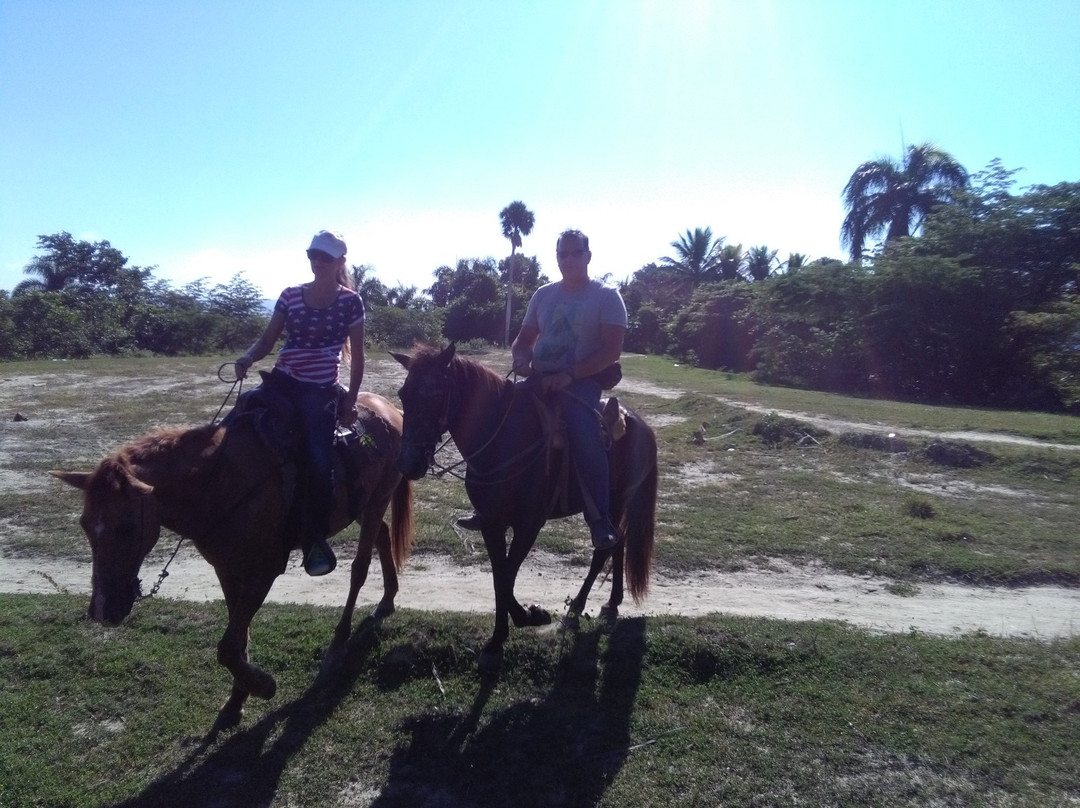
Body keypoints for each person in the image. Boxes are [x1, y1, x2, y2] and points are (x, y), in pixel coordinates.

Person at [459, 228, 626, 549]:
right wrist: (521, 359)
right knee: (497, 422)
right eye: (562, 253)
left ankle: (599, 519)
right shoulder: (544, 294)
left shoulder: (607, 297)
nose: (568, 259)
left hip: (583, 384)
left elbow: (610, 351)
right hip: (539, 379)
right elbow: (524, 340)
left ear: (588, 256)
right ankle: (486, 505)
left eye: (575, 253)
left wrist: (571, 375)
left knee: (585, 433)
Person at [234, 230, 365, 576]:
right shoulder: (290, 296)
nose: (318, 262)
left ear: (339, 262)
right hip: (282, 381)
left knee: (320, 462)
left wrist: (350, 401)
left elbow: (360, 359)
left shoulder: (351, 302)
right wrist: (247, 358)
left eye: (325, 257)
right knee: (234, 425)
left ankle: (315, 538)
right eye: (313, 255)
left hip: (320, 391)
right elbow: (267, 340)